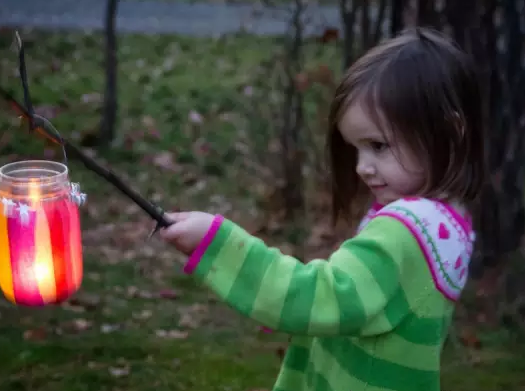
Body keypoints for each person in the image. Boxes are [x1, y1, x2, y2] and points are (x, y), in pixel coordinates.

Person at [159, 27, 485, 391]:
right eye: (356, 148)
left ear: (449, 131)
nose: (362, 166)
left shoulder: (406, 234)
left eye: (378, 146)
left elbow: (316, 297)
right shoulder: (448, 223)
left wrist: (216, 244)